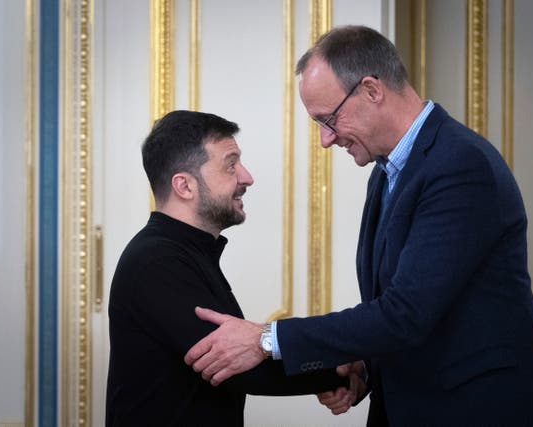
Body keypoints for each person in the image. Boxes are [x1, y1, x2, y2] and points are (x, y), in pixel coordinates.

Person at [183, 25, 533, 426]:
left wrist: (266, 339)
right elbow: (412, 308)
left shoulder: (460, 165)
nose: (326, 139)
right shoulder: (386, 171)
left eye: (329, 119)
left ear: (371, 90)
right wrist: (366, 368)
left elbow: (406, 312)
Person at [105, 110, 351, 426]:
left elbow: (242, 355)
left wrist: (330, 372)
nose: (246, 177)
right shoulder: (157, 262)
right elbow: (240, 367)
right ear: (184, 186)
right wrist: (337, 371)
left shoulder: (182, 252)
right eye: (230, 165)